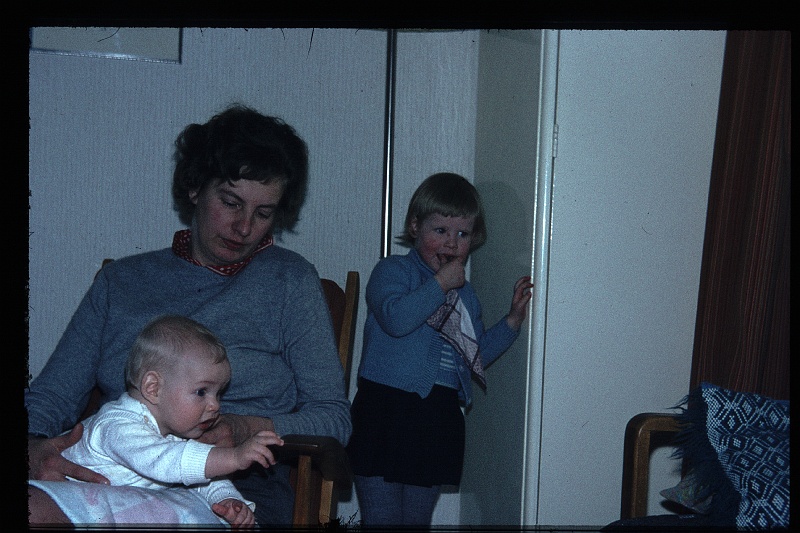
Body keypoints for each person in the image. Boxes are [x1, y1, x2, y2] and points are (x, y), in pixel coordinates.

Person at [26, 104, 351, 527]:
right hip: (110, 476)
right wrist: (31, 448)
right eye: (231, 202)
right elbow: (49, 399)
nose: (244, 227)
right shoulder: (121, 282)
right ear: (196, 188)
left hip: (232, 488)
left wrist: (243, 428)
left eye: (264, 213)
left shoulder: (289, 280)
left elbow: (333, 419)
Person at [346, 172, 533, 526]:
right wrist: (440, 284)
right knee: (382, 519)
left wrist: (511, 322)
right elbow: (397, 319)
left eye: (462, 234)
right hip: (385, 410)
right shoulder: (392, 271)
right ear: (415, 226)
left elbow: (474, 355)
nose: (451, 242)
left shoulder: (466, 294)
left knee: (416, 521)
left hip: (436, 417)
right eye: (441, 230)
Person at [31, 315, 285, 528]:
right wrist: (234, 457)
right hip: (66, 492)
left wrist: (228, 499)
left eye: (218, 394)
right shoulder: (117, 425)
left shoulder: (172, 433)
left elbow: (204, 477)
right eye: (202, 392)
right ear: (153, 387)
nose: (215, 405)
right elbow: (168, 461)